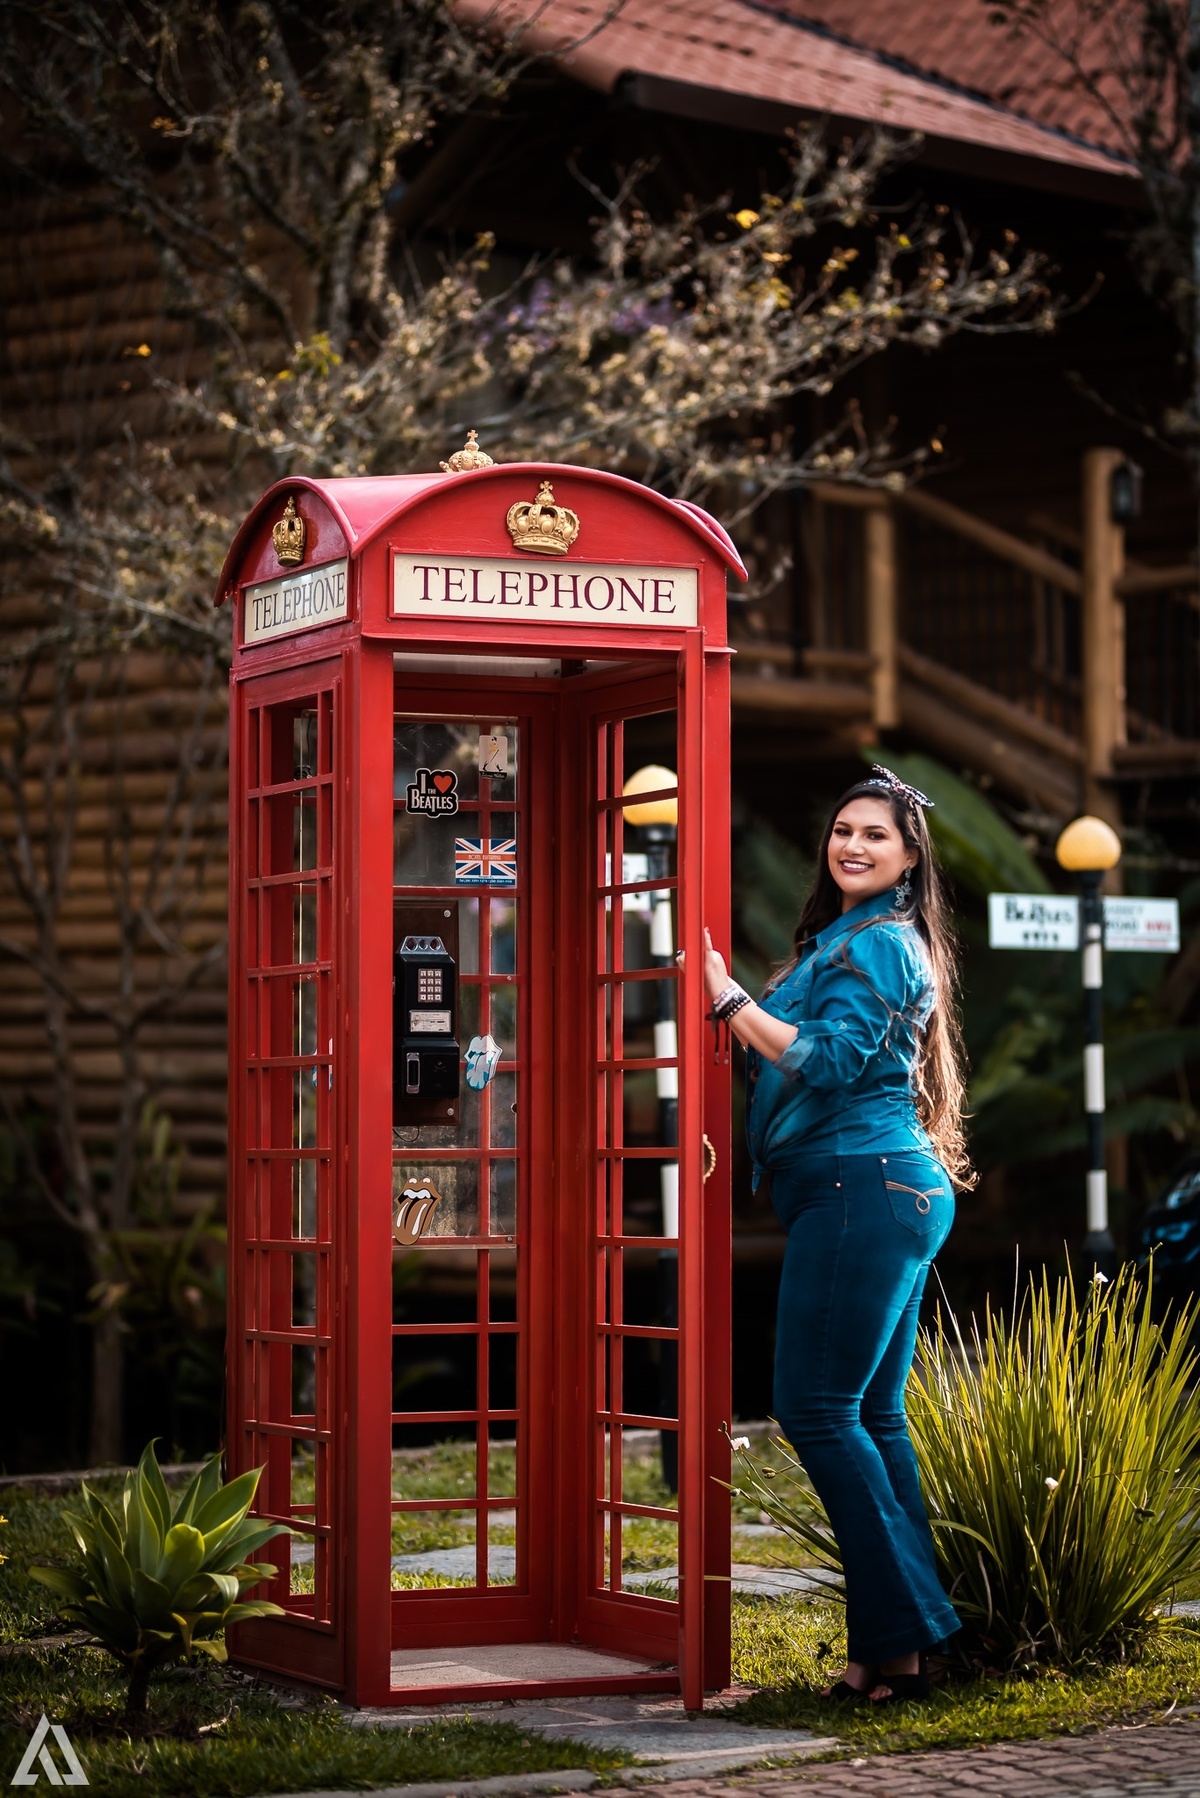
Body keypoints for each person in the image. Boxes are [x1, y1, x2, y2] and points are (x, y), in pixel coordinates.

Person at [695, 767, 971, 1704]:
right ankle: (891, 1654)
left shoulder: (888, 943)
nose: (852, 845)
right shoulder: (851, 939)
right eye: (843, 829)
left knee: (814, 1409)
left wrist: (731, 1002)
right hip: (876, 1187)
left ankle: (914, 1626)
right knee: (872, 1418)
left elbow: (831, 1060)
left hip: (864, 1186)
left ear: (907, 859)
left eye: (875, 836)